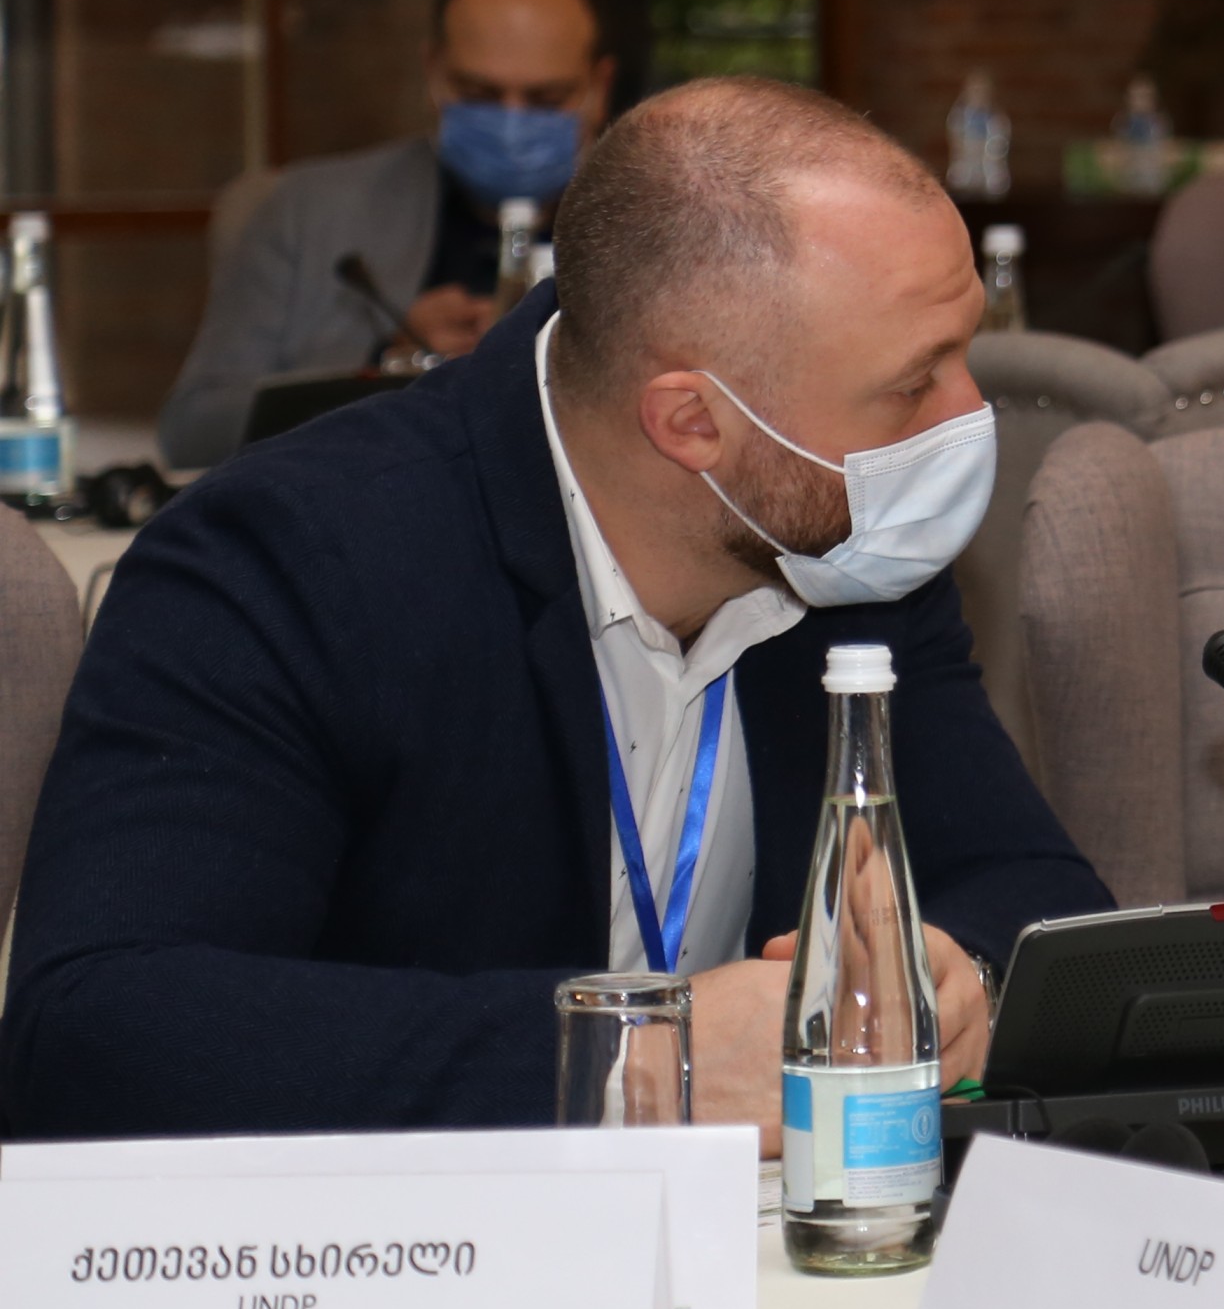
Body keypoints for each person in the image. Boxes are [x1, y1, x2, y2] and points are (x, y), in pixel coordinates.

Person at [2, 75, 1112, 1140]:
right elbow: (102, 1034)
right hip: (411, 1249)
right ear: (692, 422)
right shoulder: (293, 559)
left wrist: (960, 975)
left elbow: (1032, 892)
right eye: (914, 383)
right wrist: (638, 1060)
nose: (966, 416)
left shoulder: (848, 549)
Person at [158, 0, 618, 467]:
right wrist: (383, 370)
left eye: (546, 99)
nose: (511, 122)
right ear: (432, 72)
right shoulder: (303, 214)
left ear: (599, 87)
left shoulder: (649, 226)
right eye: (479, 93)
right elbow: (194, 431)